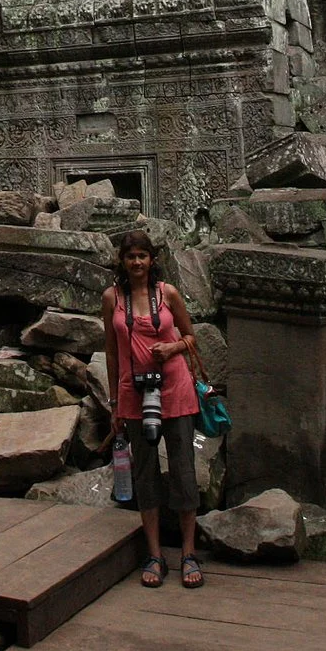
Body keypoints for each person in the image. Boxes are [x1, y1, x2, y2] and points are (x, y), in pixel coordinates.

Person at [103, 226, 204, 589]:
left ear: (152, 260)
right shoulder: (112, 298)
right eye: (130, 257)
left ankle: (189, 552)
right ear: (122, 261)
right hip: (133, 391)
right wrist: (114, 402)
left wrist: (173, 348)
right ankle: (155, 553)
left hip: (174, 388)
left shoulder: (169, 294)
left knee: (183, 467)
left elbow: (191, 336)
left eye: (142, 256)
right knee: (144, 471)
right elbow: (112, 352)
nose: (136, 262)